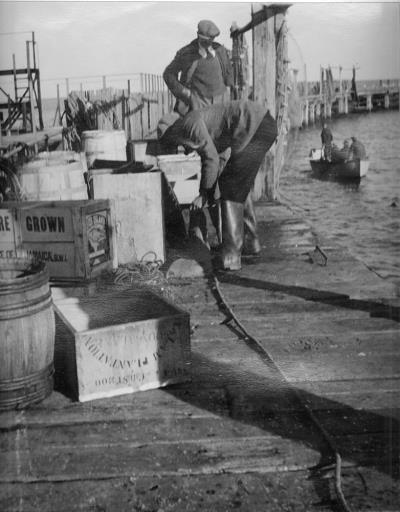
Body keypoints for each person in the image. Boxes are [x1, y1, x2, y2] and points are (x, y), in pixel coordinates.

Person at [157, 100, 278, 271]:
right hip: (264, 125)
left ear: (172, 133)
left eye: (174, 144)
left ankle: (231, 258)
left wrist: (204, 194)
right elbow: (219, 160)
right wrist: (208, 192)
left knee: (232, 187)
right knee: (237, 183)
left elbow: (211, 158)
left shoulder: (188, 124)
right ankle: (251, 243)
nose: (179, 148)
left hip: (257, 127)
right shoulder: (201, 123)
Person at [163, 19, 234, 117]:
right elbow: (168, 74)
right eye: (205, 40)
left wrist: (228, 89)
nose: (209, 42)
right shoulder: (186, 53)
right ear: (198, 36)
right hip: (198, 104)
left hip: (221, 101)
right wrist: (185, 92)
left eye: (211, 39)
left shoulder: (220, 50)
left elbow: (229, 71)